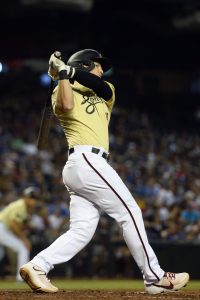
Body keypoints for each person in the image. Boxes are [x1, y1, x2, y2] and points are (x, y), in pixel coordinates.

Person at [20, 49, 189, 294]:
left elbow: (104, 89)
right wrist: (63, 77)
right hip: (85, 160)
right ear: (85, 64)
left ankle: (37, 266)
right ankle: (155, 276)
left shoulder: (104, 89)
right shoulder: (62, 88)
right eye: (98, 65)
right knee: (129, 211)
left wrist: (66, 71)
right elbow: (66, 106)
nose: (102, 70)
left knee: (82, 230)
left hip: (88, 165)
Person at [0, 186, 41, 281]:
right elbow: (13, 224)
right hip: (2, 228)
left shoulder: (25, 209)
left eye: (35, 198)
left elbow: (17, 225)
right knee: (23, 248)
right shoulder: (21, 205)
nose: (33, 201)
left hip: (4, 228)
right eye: (31, 198)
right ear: (25, 197)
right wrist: (24, 239)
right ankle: (21, 278)